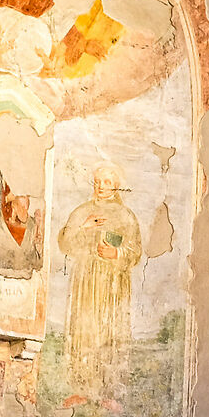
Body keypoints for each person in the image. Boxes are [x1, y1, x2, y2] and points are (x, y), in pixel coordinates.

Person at [58, 161, 144, 404]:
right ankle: (82, 388)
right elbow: (65, 243)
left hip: (113, 286)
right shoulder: (81, 212)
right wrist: (84, 228)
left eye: (107, 182)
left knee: (110, 332)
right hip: (86, 282)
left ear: (117, 185)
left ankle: (109, 393)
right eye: (97, 182)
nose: (101, 186)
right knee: (83, 332)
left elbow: (135, 251)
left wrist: (116, 253)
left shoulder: (126, 216)